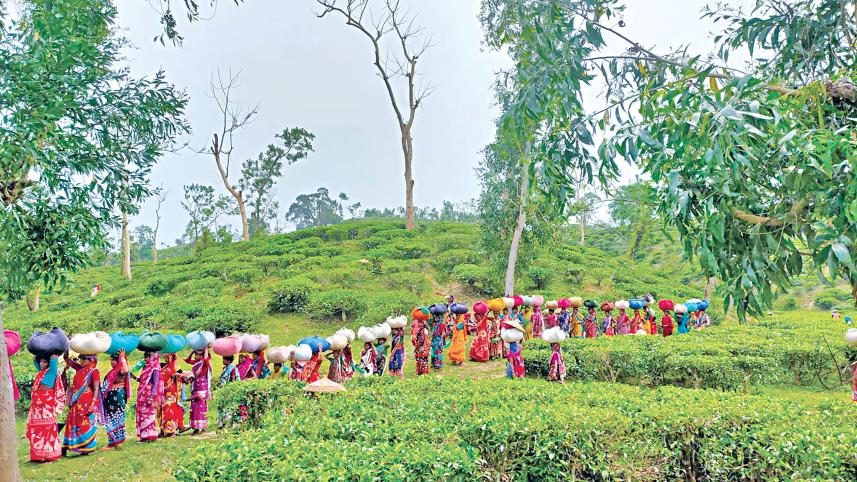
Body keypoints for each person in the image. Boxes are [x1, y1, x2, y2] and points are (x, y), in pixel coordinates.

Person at [27, 354, 64, 463]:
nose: (42, 364)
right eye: (41, 362)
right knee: (37, 429)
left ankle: (48, 455)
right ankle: (38, 455)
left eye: (45, 362)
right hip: (37, 406)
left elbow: (53, 359)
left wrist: (52, 353)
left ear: (49, 363)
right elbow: (35, 360)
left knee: (47, 429)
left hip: (47, 405)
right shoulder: (41, 373)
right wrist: (37, 352)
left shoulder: (52, 372)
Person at [62, 353, 101, 456]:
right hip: (77, 401)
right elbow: (69, 361)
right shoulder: (79, 369)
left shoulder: (94, 371)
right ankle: (71, 446)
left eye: (84, 359)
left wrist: (92, 405)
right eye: (81, 359)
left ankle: (86, 447)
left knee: (85, 423)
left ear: (91, 360)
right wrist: (66, 353)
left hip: (87, 401)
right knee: (74, 422)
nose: (82, 361)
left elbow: (96, 389)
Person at [101, 350, 130, 449]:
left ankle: (116, 443)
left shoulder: (121, 370)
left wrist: (122, 357)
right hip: (109, 398)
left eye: (114, 360)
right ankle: (113, 442)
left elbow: (126, 370)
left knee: (117, 417)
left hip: (117, 397)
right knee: (110, 419)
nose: (112, 362)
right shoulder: (112, 372)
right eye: (111, 360)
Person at [134, 351, 162, 442]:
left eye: (147, 357)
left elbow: (155, 384)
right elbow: (142, 381)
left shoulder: (155, 369)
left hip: (148, 395)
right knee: (142, 414)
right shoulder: (145, 368)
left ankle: (150, 435)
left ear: (152, 358)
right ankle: (144, 436)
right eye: (144, 357)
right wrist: (134, 377)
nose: (145, 359)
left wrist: (151, 397)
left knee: (148, 414)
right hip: (142, 394)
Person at [185, 348, 212, 434]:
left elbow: (205, 359)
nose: (195, 356)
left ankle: (202, 426)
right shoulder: (196, 363)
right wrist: (192, 351)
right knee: (195, 406)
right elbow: (187, 360)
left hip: (202, 386)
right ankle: (196, 426)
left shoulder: (204, 364)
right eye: (195, 355)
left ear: (202, 356)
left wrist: (206, 350)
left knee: (201, 405)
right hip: (195, 385)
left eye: (197, 355)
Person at [159, 353, 184, 437]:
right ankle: (163, 430)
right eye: (165, 357)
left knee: (169, 410)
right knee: (162, 411)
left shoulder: (174, 366)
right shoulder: (163, 367)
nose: (165, 359)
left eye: (167, 357)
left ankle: (172, 431)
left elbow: (182, 375)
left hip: (171, 391)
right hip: (162, 391)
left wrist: (177, 375)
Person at [412, 309, 432, 375]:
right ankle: (419, 371)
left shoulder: (425, 329)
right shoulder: (418, 329)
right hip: (419, 346)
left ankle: (424, 372)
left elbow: (426, 339)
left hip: (423, 346)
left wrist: (423, 347)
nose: (419, 324)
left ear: (423, 323)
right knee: (418, 359)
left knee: (423, 359)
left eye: (420, 323)